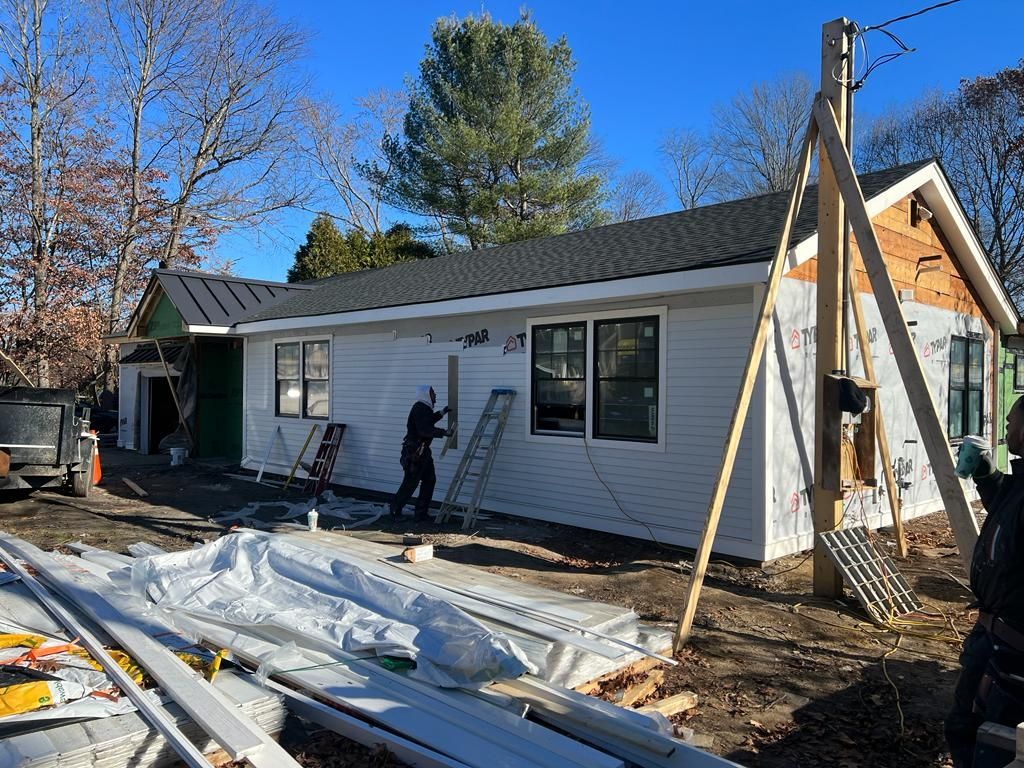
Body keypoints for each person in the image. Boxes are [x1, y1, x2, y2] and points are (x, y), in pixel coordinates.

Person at [946, 397, 1024, 767]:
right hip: (994, 636)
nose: (1006, 434)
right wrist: (988, 476)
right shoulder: (1022, 483)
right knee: (964, 725)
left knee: (991, 741)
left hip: (1013, 649)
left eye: (1011, 425)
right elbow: (1011, 516)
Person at [391, 384, 451, 521]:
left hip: (423, 452)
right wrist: (444, 432)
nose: (435, 396)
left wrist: (442, 412)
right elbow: (424, 429)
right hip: (415, 453)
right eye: (433, 393)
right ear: (426, 395)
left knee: (429, 480)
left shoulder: (424, 408)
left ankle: (421, 512)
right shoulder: (420, 408)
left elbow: (428, 421)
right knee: (410, 482)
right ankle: (395, 510)